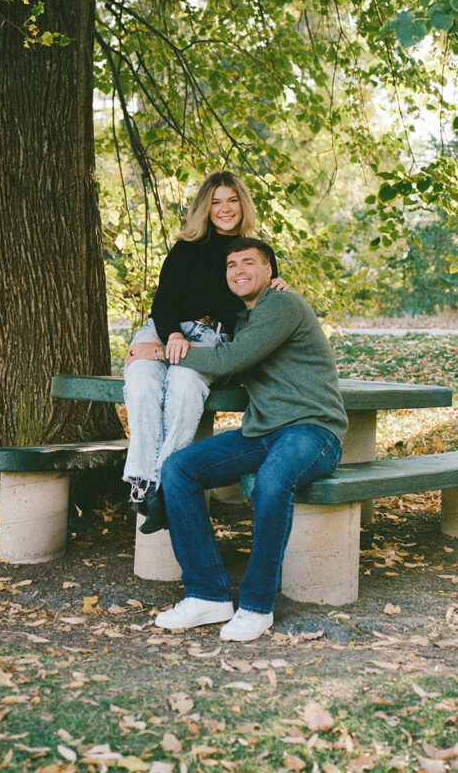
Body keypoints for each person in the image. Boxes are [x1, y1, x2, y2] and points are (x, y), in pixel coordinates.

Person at [125, 236, 347, 641]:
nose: (239, 271)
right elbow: (222, 357)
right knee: (179, 468)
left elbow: (231, 360)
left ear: (270, 272)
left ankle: (257, 605)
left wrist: (157, 353)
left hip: (314, 430)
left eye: (249, 263)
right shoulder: (239, 320)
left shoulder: (282, 305)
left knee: (273, 481)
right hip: (263, 431)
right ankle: (207, 594)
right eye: (232, 266)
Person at [122, 174, 287, 534]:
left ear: (243, 204)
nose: (224, 209)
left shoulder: (257, 252)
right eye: (215, 202)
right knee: (143, 384)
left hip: (211, 339)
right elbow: (163, 302)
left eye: (231, 200)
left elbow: (264, 308)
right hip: (166, 330)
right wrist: (171, 337)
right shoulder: (186, 248)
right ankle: (144, 484)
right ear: (204, 208)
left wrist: (278, 287)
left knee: (183, 387)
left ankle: (161, 484)